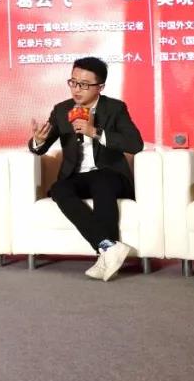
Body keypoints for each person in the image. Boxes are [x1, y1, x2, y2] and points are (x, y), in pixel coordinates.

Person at [29, 56, 144, 282]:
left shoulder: (115, 108)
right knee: (59, 189)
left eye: (84, 84)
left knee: (101, 181)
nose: (76, 89)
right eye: (73, 82)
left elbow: (135, 144)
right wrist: (38, 141)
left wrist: (95, 132)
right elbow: (41, 147)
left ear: (100, 87)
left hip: (111, 175)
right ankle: (108, 247)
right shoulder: (62, 110)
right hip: (77, 177)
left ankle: (104, 256)